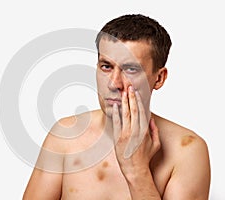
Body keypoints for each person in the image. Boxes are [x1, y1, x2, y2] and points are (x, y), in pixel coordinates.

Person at [23, 14, 211, 200]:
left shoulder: (188, 152)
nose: (114, 83)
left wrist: (137, 171)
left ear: (159, 78)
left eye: (131, 69)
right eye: (106, 66)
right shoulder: (65, 136)